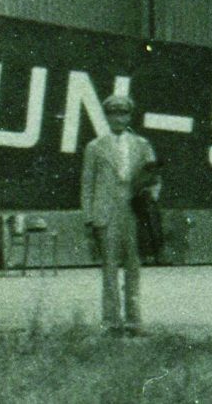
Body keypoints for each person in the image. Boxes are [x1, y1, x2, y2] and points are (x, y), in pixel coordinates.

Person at [81, 90, 159, 335]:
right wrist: (89, 217)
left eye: (123, 113)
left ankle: (135, 321)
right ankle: (112, 322)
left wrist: (149, 198)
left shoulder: (141, 145)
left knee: (134, 268)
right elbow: (87, 183)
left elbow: (154, 177)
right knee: (110, 268)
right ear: (106, 116)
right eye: (113, 114)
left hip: (133, 213)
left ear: (129, 116)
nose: (118, 119)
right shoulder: (95, 147)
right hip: (106, 213)